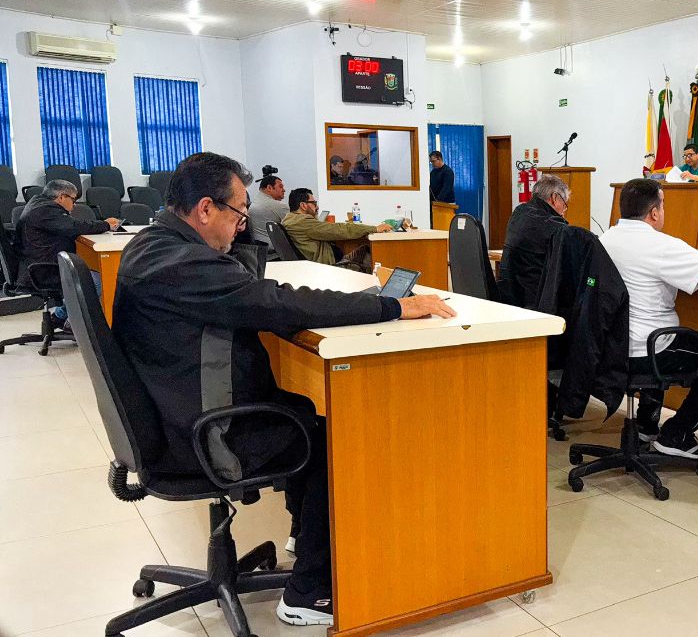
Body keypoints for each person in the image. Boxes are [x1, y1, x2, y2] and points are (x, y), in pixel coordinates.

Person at [113, 152, 455, 627]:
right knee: (332, 433)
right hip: (201, 435)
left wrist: (241, 238)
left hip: (174, 414)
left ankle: (305, 533)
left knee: (303, 408)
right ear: (206, 208)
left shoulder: (156, 246)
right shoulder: (181, 263)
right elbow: (272, 302)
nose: (242, 224)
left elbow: (250, 290)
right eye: (238, 213)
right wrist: (391, 307)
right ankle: (309, 592)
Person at [599, 178, 698, 459]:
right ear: (654, 212)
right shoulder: (660, 245)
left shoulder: (605, 240)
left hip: (610, 349)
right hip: (647, 350)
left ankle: (646, 426)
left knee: (666, 332)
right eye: (663, 205)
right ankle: (677, 434)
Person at [15, 180, 118, 324]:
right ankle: (74, 324)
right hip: (42, 270)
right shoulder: (45, 210)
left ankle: (60, 317)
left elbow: (70, 225)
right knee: (95, 281)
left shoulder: (38, 205)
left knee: (91, 275)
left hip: (37, 264)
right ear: (62, 197)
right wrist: (106, 224)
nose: (74, 205)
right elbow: (72, 226)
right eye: (73, 200)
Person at [499, 174, 570, 309]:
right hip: (534, 302)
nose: (563, 212)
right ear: (554, 198)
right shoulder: (552, 225)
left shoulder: (519, 212)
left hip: (507, 297)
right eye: (564, 204)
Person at [281, 188, 390, 272]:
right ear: (303, 205)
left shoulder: (290, 219)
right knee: (370, 256)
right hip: (327, 266)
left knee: (364, 249)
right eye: (314, 203)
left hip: (322, 260)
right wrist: (375, 228)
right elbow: (340, 230)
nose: (317, 207)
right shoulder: (304, 222)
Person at [248, 174, 287, 252]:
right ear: (269, 188)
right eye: (280, 187)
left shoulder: (254, 202)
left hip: (257, 248)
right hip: (274, 250)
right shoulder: (276, 206)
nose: (284, 190)